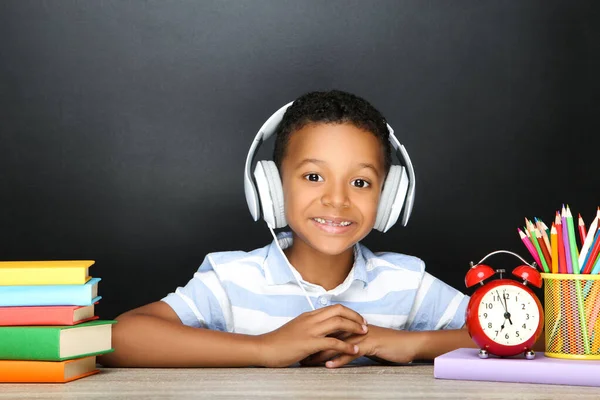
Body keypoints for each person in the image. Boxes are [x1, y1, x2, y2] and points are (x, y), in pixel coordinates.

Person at [99, 90, 476, 369]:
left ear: (390, 196)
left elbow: (523, 333)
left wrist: (410, 343)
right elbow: (117, 337)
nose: (337, 199)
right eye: (314, 176)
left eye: (360, 183)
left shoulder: (405, 283)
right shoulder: (233, 279)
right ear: (273, 188)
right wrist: (266, 348)